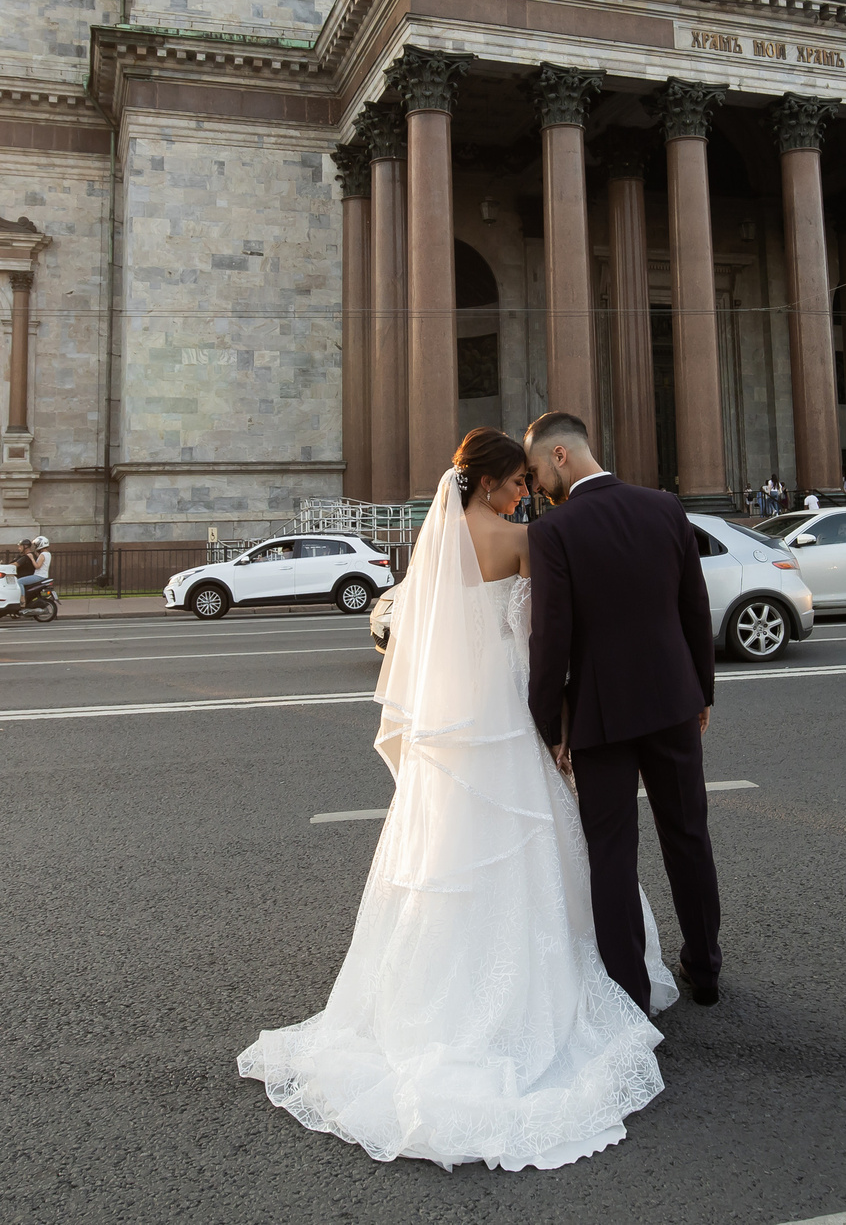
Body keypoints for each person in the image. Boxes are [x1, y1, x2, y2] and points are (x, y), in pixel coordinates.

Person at [238, 427, 673, 1170]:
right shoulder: (519, 541)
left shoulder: (435, 544)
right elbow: (545, 639)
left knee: (449, 851)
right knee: (541, 842)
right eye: (516, 483)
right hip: (505, 713)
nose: (524, 493)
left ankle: (430, 1000)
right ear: (490, 481)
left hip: (455, 724)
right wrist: (560, 719)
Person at [523, 410, 723, 1018]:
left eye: (534, 471)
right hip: (672, 701)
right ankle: (705, 968)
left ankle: (630, 996)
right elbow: (694, 607)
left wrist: (548, 724)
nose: (535, 486)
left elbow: (550, 640)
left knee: (611, 852)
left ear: (560, 456)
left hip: (601, 715)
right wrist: (703, 693)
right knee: (688, 834)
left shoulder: (555, 531)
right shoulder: (665, 507)